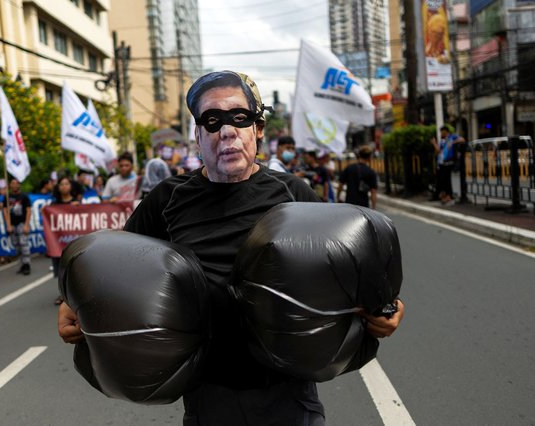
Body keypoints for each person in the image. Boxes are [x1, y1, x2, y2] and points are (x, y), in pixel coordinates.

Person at [58, 71, 404, 425]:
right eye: (212, 121)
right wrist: (71, 304)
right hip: (209, 398)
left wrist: (387, 309)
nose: (226, 131)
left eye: (240, 118)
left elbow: (345, 264)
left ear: (258, 129)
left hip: (289, 395)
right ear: (198, 135)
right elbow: (116, 271)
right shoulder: (167, 199)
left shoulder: (292, 193)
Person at [52, 176, 79, 304]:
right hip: (59, 241)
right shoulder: (54, 205)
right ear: (58, 187)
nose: (64, 186)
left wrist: (77, 207)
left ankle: (73, 294)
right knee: (60, 268)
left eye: (66, 183)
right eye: (61, 184)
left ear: (71, 186)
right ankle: (62, 294)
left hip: (73, 240)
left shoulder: (76, 203)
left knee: (74, 267)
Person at [3, 177, 32, 275]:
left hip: (22, 223)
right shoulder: (7, 197)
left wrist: (26, 225)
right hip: (12, 225)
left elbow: (28, 210)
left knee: (24, 244)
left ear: (19, 185)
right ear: (10, 185)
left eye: (16, 183)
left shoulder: (24, 196)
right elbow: (5, 211)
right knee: (17, 245)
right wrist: (8, 225)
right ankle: (22, 264)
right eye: (12, 183)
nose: (14, 185)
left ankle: (27, 264)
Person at [431, 126, 465, 205]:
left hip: (448, 162)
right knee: (442, 180)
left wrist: (453, 142)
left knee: (446, 180)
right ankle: (444, 195)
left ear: (445, 131)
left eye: (442, 132)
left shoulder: (452, 137)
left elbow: (462, 139)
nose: (441, 134)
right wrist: (434, 144)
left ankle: (448, 196)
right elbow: (438, 151)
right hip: (441, 163)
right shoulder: (442, 141)